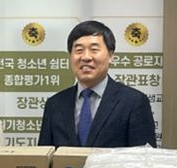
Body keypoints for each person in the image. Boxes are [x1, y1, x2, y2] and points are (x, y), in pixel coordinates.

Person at [38, 20, 156, 148]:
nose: (86, 57)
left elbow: (144, 157)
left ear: (111, 56)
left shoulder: (134, 102)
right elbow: (44, 156)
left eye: (94, 50)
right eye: (79, 50)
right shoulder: (55, 104)